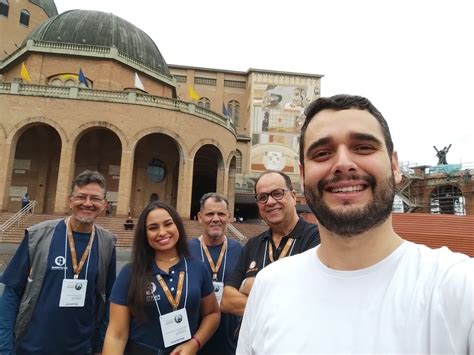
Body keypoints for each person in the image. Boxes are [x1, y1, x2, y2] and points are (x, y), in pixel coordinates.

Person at [237, 94, 474, 354]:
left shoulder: (459, 286)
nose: (343, 164)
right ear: (303, 176)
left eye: (363, 147)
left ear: (395, 166)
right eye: (322, 153)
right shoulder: (268, 287)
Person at [0, 170, 116, 355]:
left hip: (80, 349)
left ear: (104, 204)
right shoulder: (38, 235)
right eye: (81, 197)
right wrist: (4, 349)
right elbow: (12, 292)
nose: (87, 203)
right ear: (70, 201)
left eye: (94, 198)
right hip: (31, 348)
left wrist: (100, 346)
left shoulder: (107, 242)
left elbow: (108, 298)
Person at [103, 201, 220, 355]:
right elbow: (116, 335)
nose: (162, 232)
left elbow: (212, 313)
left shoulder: (197, 267)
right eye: (153, 228)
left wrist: (195, 343)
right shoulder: (130, 273)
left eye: (168, 224)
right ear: (144, 234)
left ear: (177, 225)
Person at [220, 170, 320, 317]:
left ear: (293, 196)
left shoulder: (316, 238)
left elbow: (307, 298)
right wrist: (279, 304)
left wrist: (246, 284)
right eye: (263, 197)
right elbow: (227, 300)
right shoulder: (252, 245)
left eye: (278, 193)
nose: (271, 202)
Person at [188, 193, 243, 355]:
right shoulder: (186, 250)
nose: (216, 219)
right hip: (193, 338)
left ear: (229, 217)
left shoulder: (240, 250)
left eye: (221, 214)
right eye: (210, 214)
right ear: (200, 217)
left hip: (229, 340)